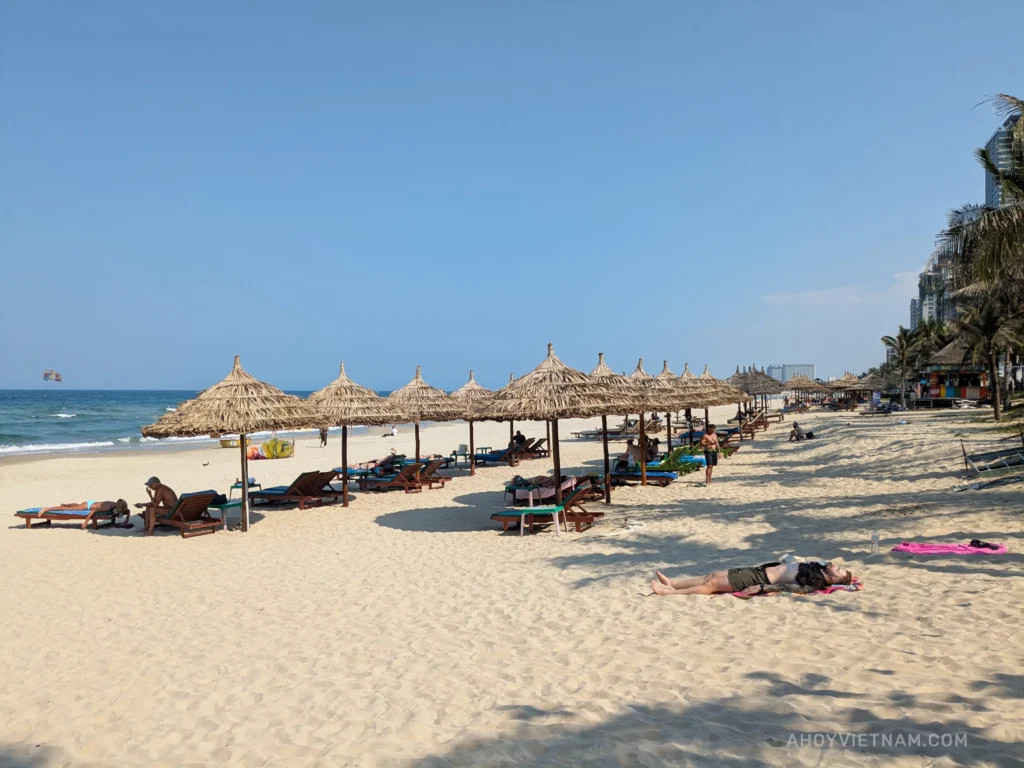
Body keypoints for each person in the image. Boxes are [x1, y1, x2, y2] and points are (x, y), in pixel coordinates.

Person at [651, 559, 853, 596]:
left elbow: (796, 589)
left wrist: (762, 588)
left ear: (833, 580)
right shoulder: (817, 567)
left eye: (839, 569)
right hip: (758, 569)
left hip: (759, 579)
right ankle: (674, 583)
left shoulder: (815, 582)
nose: (836, 565)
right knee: (711, 575)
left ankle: (668, 593)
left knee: (712, 584)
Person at [39, 499, 131, 526]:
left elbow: (127, 511)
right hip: (87, 506)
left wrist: (126, 520)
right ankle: (47, 509)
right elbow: (92, 511)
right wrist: (85, 523)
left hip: (91, 503)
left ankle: (69, 504)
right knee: (65, 509)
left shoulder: (114, 503)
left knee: (76, 506)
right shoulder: (107, 507)